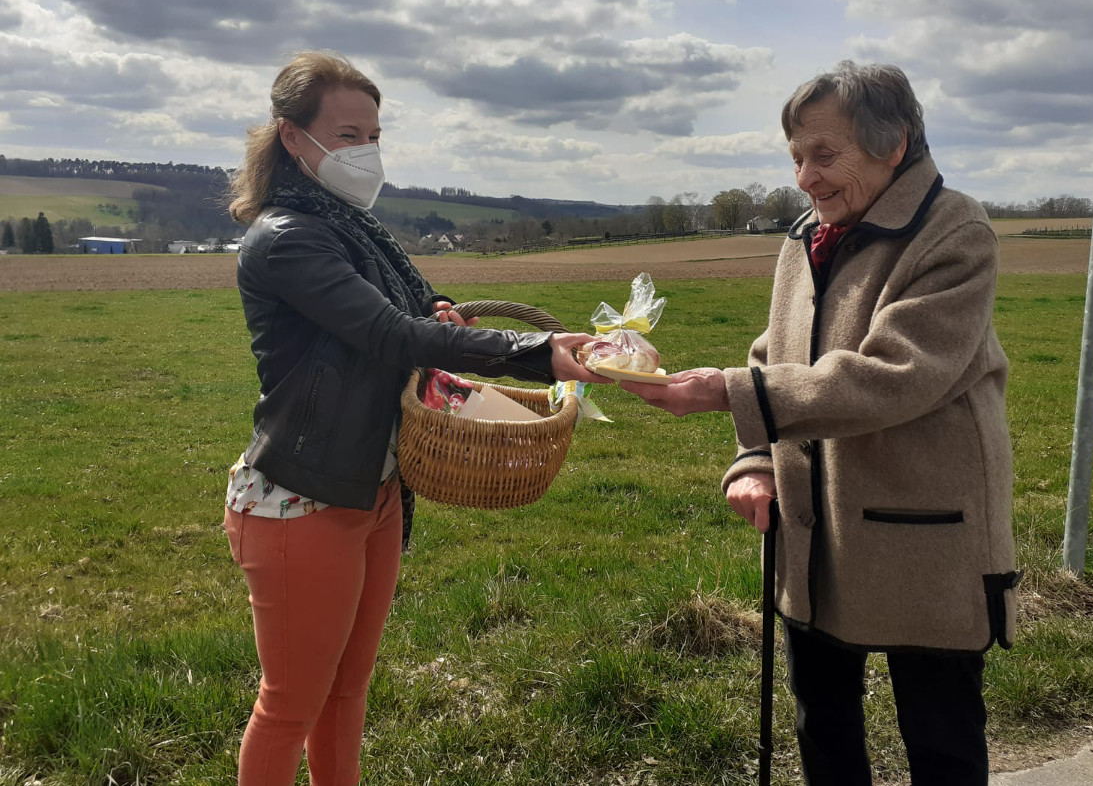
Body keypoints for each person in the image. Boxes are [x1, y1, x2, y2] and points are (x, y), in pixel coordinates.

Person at [621, 61, 1019, 785]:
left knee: (941, 740)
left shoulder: (954, 231)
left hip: (923, 535)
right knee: (823, 726)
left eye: (824, 154)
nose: (804, 177)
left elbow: (898, 375)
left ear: (892, 144)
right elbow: (773, 353)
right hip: (815, 530)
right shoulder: (809, 235)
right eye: (797, 156)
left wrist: (727, 394)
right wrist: (755, 460)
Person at [224, 50, 603, 786]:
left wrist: (436, 311)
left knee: (345, 692)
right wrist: (536, 352)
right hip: (304, 498)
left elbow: (402, 319)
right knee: (289, 705)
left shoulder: (353, 230)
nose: (364, 150)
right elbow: (387, 336)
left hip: (376, 485)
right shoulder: (288, 238)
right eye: (346, 134)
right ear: (291, 136)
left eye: (372, 133)